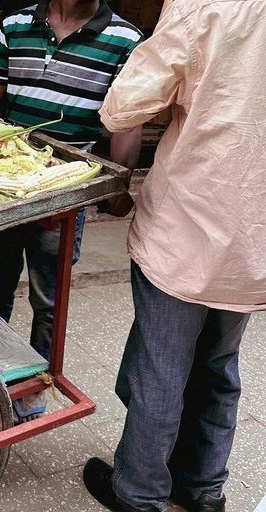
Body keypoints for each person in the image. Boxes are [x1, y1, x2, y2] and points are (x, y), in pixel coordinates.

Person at [82, 1, 266, 511]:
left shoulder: (204, 7)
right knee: (220, 367)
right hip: (255, 241)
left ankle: (139, 494)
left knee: (161, 368)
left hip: (190, 227)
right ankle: (203, 490)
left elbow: (123, 107)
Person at [0, 0, 142, 420]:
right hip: (6, 186)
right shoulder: (13, 26)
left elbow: (126, 120)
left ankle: (33, 391)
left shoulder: (125, 40)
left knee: (49, 298)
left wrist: (120, 180)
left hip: (65, 193)